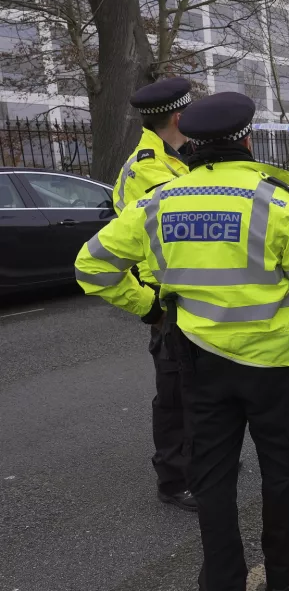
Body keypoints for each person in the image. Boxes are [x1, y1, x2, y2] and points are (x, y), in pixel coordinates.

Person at [75, 92, 289, 591]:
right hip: (273, 366)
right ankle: (284, 572)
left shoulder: (158, 202)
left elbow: (92, 266)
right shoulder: (274, 202)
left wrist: (150, 307)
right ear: (247, 139)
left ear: (193, 143)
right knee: (284, 469)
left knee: (214, 479)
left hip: (198, 362)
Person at [114, 77, 196, 511]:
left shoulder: (171, 159)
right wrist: (155, 308)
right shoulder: (151, 168)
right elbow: (151, 244)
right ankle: (174, 479)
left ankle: (194, 461)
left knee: (193, 384)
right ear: (180, 117)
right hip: (165, 298)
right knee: (174, 393)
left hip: (179, 294)